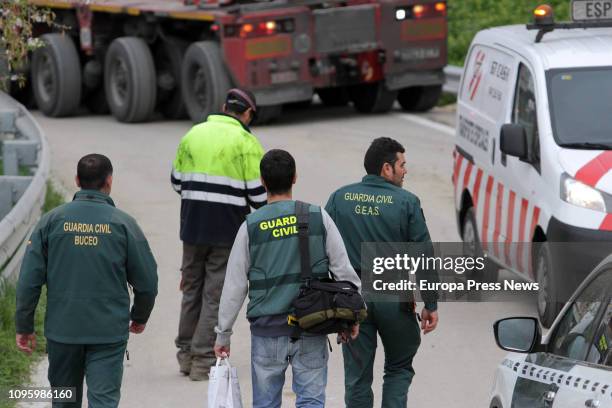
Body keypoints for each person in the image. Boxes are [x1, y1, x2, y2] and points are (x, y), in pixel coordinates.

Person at [213, 149, 361, 408]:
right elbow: (344, 271)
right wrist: (353, 316)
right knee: (312, 402)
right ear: (295, 177)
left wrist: (223, 334)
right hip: (312, 326)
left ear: (262, 181)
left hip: (267, 332)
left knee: (266, 404)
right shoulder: (317, 216)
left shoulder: (251, 226)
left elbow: (234, 286)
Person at [15, 154, 158, 408]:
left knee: (64, 401)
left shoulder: (50, 222)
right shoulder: (124, 224)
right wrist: (139, 317)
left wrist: (24, 326)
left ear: (77, 180)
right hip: (107, 333)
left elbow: (29, 281)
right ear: (109, 181)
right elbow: (147, 282)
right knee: (103, 402)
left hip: (63, 332)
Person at [325, 137, 439, 408]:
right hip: (393, 298)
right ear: (386, 169)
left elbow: (321, 248)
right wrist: (430, 304)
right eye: (402, 164)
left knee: (357, 377)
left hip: (353, 299)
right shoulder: (407, 202)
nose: (405, 170)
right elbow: (424, 255)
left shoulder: (340, 198)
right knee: (398, 368)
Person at [170, 88, 267, 380]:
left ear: (225, 107)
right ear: (248, 113)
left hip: (192, 228)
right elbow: (258, 195)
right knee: (215, 295)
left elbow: (177, 182)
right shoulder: (247, 142)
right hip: (226, 231)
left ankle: (185, 355)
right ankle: (202, 362)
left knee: (191, 291)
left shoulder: (193, 134)